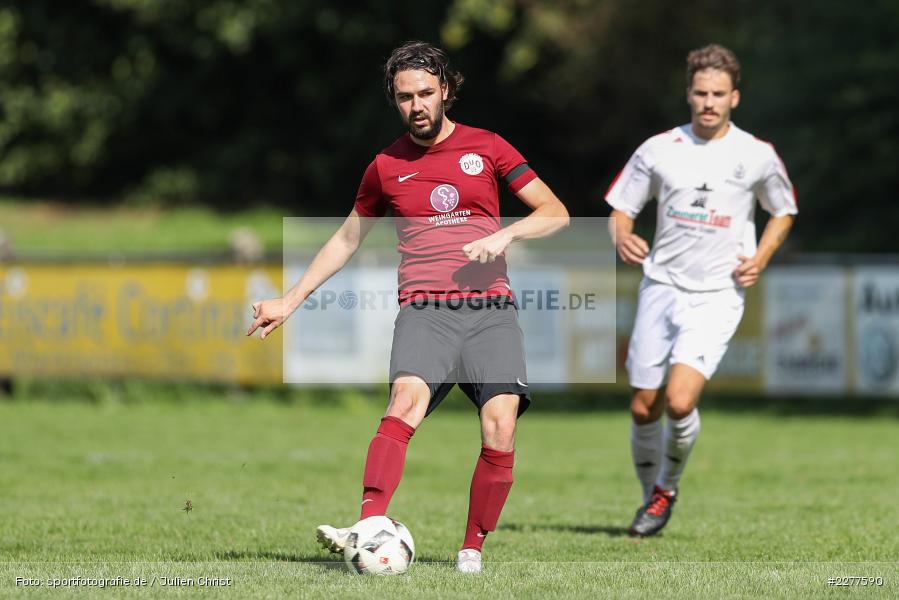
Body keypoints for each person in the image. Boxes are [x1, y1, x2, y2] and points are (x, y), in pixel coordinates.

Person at [247, 40, 569, 572]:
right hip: (425, 310)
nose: (416, 105)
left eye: (424, 93)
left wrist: (505, 236)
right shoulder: (385, 166)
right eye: (404, 97)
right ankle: (367, 524)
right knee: (405, 401)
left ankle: (471, 548)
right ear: (394, 101)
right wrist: (290, 299)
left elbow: (555, 212)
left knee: (501, 424)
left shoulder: (488, 146)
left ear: (445, 90)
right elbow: (347, 238)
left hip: (490, 311)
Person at [605, 43, 797, 537]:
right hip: (661, 286)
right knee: (643, 406)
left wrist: (761, 257)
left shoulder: (756, 155)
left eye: (718, 94)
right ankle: (649, 499)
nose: (709, 102)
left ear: (735, 97)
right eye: (701, 93)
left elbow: (783, 210)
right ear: (688, 94)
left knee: (680, 401)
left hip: (717, 293)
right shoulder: (659, 149)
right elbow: (622, 208)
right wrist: (623, 235)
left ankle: (666, 489)